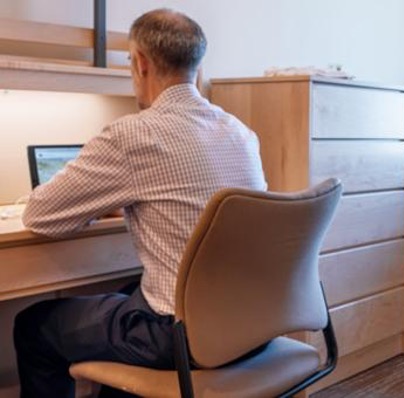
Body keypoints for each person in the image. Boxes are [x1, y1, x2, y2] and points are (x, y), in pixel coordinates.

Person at [13, 8, 267, 397]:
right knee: (128, 292)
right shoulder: (240, 133)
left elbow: (41, 215)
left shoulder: (134, 135)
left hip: (179, 336)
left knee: (34, 326)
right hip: (249, 324)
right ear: (197, 64)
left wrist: (102, 203)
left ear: (141, 63)